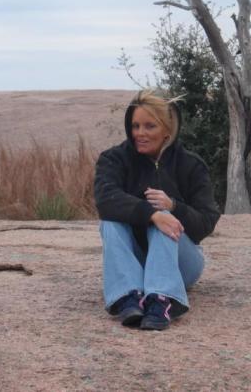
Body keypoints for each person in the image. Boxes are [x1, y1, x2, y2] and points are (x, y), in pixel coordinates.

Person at [94, 89, 220, 330]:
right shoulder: (114, 159)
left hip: (181, 263)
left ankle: (162, 299)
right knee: (111, 221)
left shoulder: (191, 165)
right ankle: (128, 296)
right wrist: (151, 214)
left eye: (149, 126)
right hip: (136, 263)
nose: (140, 133)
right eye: (135, 126)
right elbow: (105, 199)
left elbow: (205, 222)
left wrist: (173, 207)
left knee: (166, 219)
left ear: (167, 129)